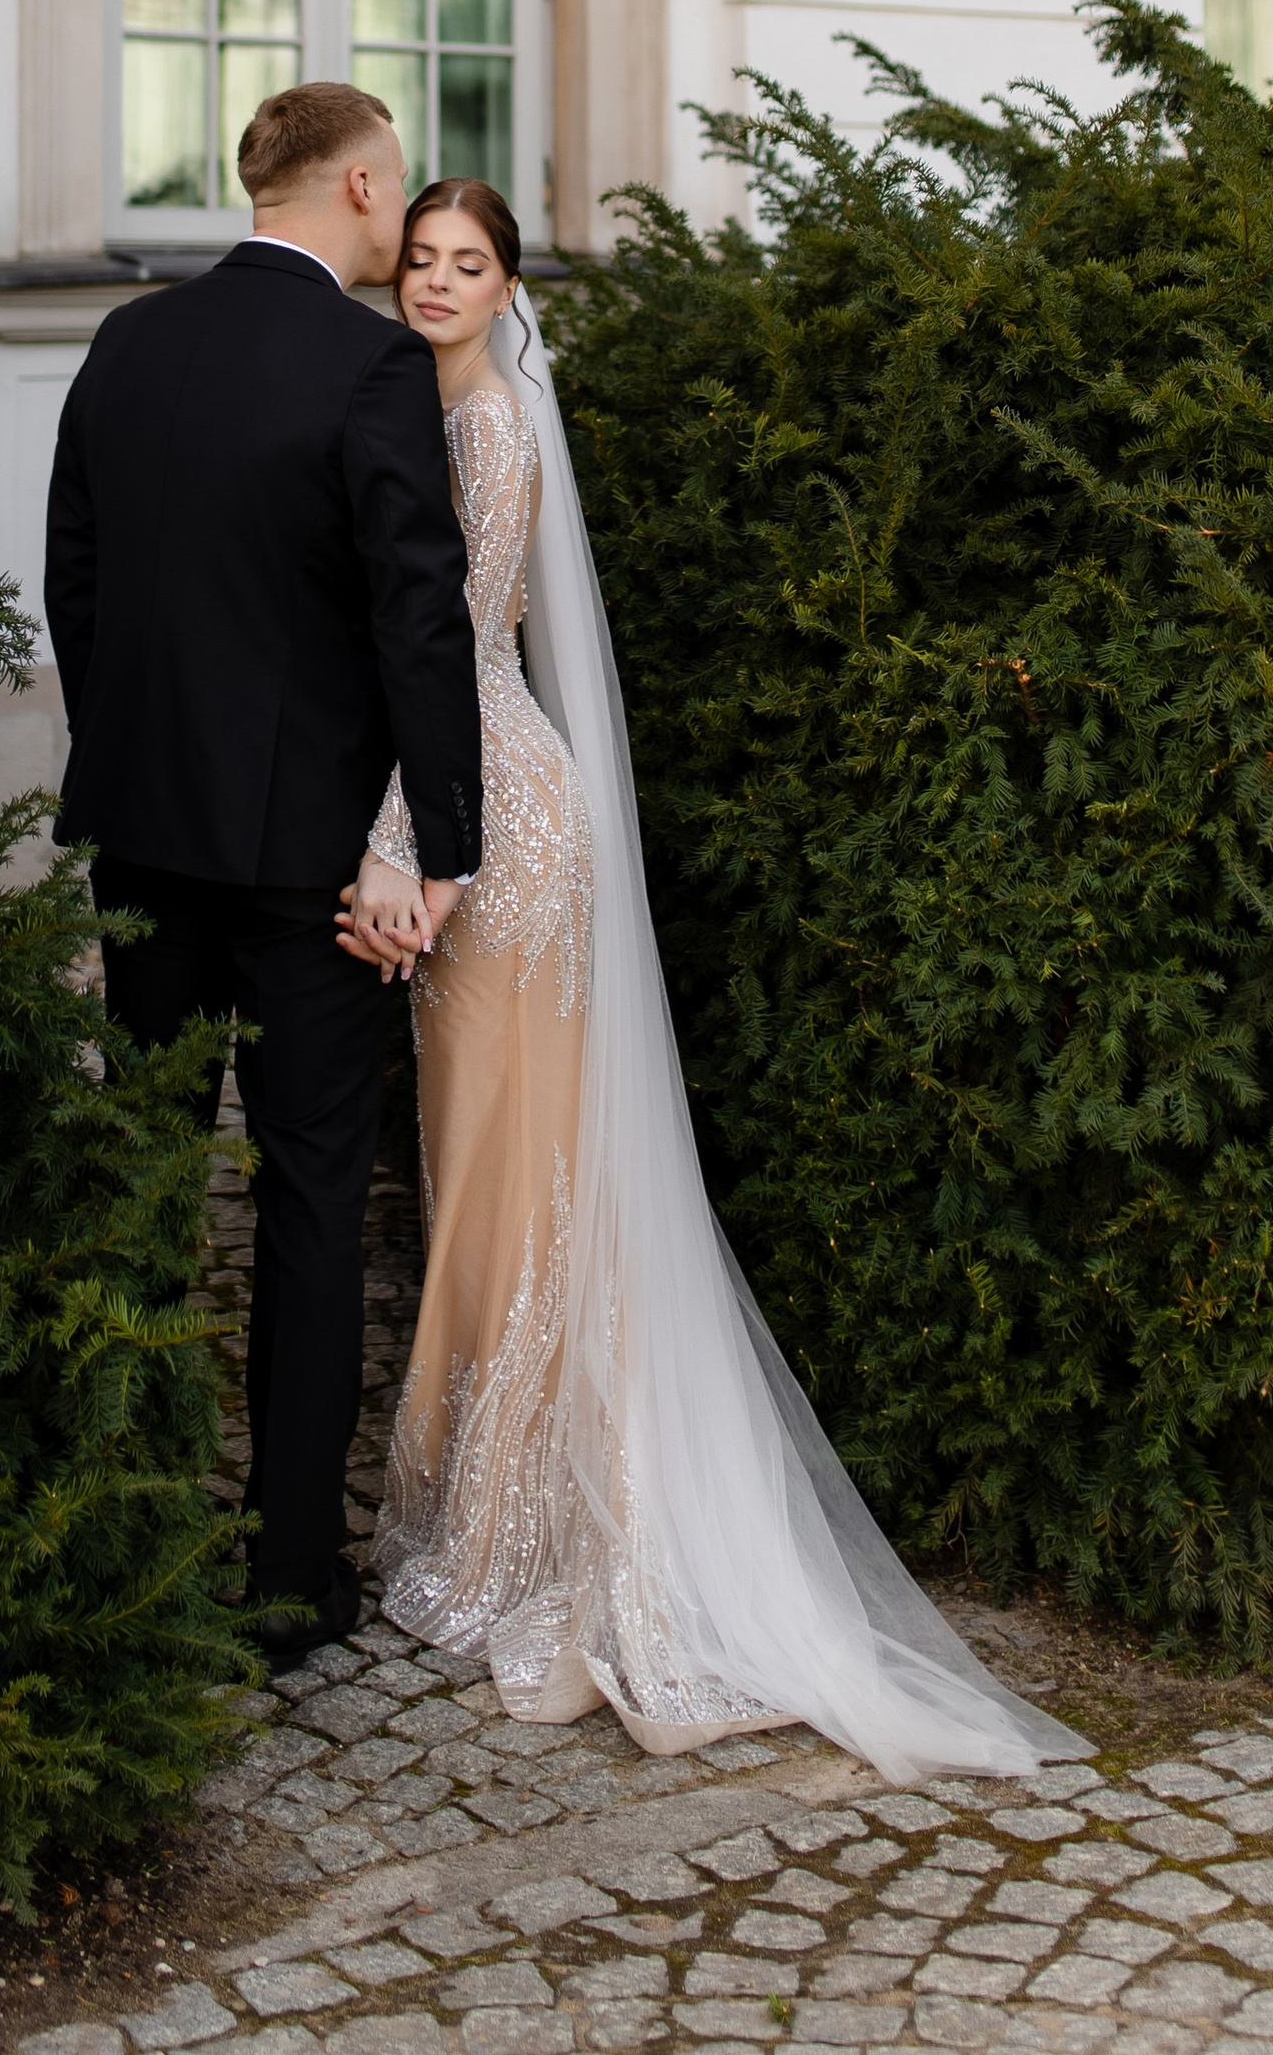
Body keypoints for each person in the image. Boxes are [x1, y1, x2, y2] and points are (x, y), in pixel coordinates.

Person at [339, 178, 1084, 1784]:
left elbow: (450, 650)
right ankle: (512, 1491)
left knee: (502, 1177)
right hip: (513, 798)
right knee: (507, 1166)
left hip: (490, 826)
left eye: (468, 264)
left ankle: (538, 1521)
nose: (438, 284)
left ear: (510, 284)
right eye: (421, 261)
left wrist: (398, 840)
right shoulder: (470, 407)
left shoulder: (478, 430)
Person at [43, 82, 482, 1668]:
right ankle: (292, 1571)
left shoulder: (124, 344)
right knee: (305, 1197)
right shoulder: (371, 365)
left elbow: (75, 584)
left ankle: (123, 1520)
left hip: (145, 845)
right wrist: (442, 842)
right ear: (363, 186)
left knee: (146, 1172)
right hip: (311, 874)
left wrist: (139, 770)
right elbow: (415, 620)